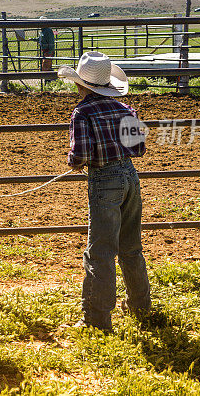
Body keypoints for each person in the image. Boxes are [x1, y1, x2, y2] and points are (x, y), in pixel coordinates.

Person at [58, 51, 150, 332]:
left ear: (79, 84)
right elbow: (139, 148)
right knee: (131, 247)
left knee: (100, 251)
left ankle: (97, 319)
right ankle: (141, 306)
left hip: (104, 180)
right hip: (130, 176)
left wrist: (73, 162)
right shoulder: (126, 110)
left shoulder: (82, 112)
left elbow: (81, 154)